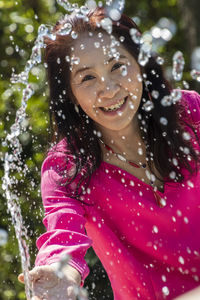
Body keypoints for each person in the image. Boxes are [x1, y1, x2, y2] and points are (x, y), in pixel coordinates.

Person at [18, 6, 200, 300]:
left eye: (117, 66)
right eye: (87, 78)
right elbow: (62, 235)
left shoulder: (190, 115)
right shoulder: (68, 168)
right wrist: (60, 273)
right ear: (69, 92)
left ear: (140, 64)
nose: (109, 89)